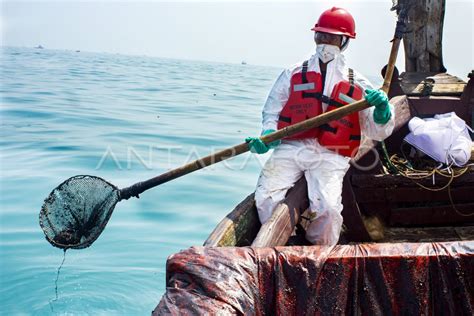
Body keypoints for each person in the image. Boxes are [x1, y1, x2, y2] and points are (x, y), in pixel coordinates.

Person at [245, 7, 395, 246]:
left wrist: (382, 111)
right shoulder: (293, 73)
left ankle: (318, 252)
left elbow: (378, 131)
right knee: (266, 197)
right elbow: (272, 111)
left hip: (331, 153)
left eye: (332, 37)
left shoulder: (358, 83)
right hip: (292, 146)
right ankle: (286, 240)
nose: (325, 42)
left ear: (344, 41)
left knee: (329, 208)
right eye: (321, 36)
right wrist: (267, 137)